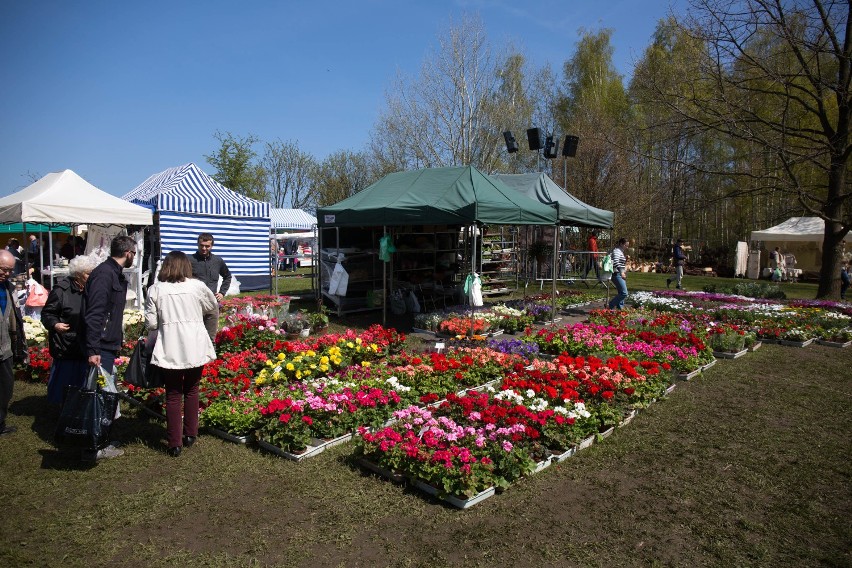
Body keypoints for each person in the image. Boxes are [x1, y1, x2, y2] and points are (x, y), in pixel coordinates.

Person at [146, 251, 218, 457]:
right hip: (194, 340)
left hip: (170, 343)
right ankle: (190, 433)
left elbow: (151, 323)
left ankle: (174, 442)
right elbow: (211, 307)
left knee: (173, 393)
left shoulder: (156, 289)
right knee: (192, 389)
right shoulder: (197, 286)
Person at [41, 255, 97, 405]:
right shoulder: (61, 290)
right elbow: (47, 313)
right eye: (88, 273)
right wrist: (55, 324)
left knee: (83, 381)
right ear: (78, 274)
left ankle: (80, 408)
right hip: (66, 345)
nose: (92, 277)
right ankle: (62, 409)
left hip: (85, 343)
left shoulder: (92, 290)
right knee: (65, 382)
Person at [0, 250, 27, 437]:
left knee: (5, 388)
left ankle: (0, 423)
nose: (7, 274)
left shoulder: (8, 287)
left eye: (10, 270)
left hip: (5, 348)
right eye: (3, 269)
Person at [188, 233, 231, 301]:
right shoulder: (189, 260)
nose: (204, 248)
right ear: (197, 244)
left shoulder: (217, 261)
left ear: (211, 246)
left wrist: (222, 293)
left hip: (212, 300)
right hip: (194, 300)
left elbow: (227, 276)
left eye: (207, 246)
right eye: (201, 245)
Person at [608, 237, 630, 310]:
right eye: (625, 245)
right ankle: (610, 305)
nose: (627, 247)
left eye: (627, 246)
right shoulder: (617, 251)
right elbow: (616, 262)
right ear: (621, 244)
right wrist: (622, 272)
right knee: (624, 293)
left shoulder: (620, 251)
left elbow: (619, 262)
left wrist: (625, 259)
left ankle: (620, 308)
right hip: (617, 274)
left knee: (621, 292)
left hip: (619, 273)